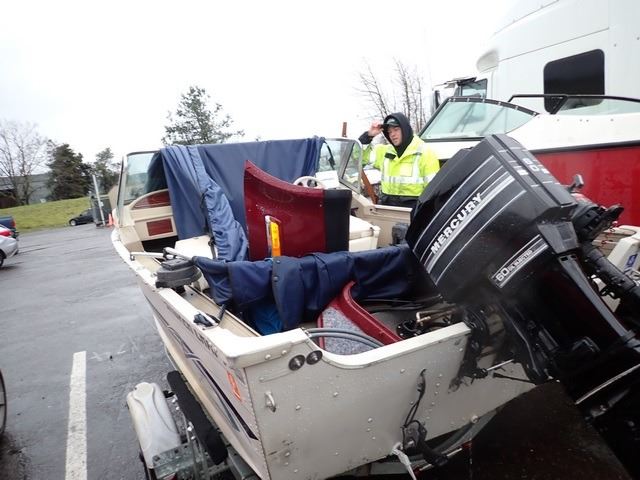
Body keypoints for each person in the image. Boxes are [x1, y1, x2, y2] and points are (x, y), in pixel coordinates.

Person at [359, 112, 440, 208]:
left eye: (396, 130)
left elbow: (433, 191)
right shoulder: (384, 152)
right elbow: (358, 156)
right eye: (389, 132)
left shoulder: (425, 152)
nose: (392, 135)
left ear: (405, 129)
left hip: (413, 211)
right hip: (388, 209)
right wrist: (369, 135)